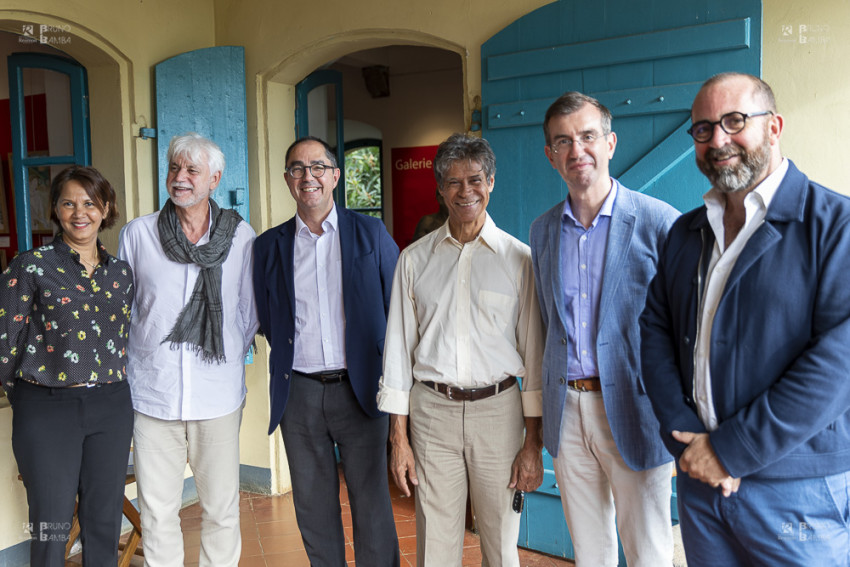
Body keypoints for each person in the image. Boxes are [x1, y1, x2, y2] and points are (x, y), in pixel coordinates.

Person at [640, 72, 850, 566]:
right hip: (699, 480)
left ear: (774, 127)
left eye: (735, 121)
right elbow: (654, 332)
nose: (718, 140)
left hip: (794, 488)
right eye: (703, 128)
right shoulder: (685, 233)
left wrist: (733, 450)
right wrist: (685, 435)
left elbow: (839, 363)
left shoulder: (836, 225)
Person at [379, 133, 544, 567]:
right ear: (439, 189)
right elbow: (397, 353)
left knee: (501, 544)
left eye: (475, 180)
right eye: (453, 182)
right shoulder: (413, 261)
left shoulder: (519, 260)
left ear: (491, 182)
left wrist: (534, 443)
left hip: (499, 413)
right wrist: (399, 440)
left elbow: (536, 358)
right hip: (432, 414)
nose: (465, 191)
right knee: (435, 545)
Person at [529, 92, 678, 566]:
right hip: (568, 412)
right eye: (564, 141)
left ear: (610, 143)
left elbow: (683, 330)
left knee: (648, 550)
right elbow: (549, 324)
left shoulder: (658, 222)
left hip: (637, 410)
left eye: (588, 136)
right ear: (551, 156)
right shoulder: (543, 230)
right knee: (589, 552)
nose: (578, 151)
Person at [252, 136, 400, 566]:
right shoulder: (269, 246)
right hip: (298, 394)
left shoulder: (369, 232)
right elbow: (266, 316)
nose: (308, 176)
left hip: (361, 388)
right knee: (313, 507)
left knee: (371, 505)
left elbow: (397, 306)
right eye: (297, 169)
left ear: (335, 176)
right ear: (287, 180)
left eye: (318, 167)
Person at [119, 133, 258, 567]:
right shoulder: (139, 234)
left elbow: (248, 311)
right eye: (174, 169)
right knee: (158, 511)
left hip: (216, 396)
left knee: (220, 509)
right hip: (152, 395)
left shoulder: (240, 237)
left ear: (214, 178)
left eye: (192, 170)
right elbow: (124, 310)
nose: (180, 179)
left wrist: (226, 352)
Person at [1, 165, 133, 565]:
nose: (80, 213)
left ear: (105, 208)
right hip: (46, 407)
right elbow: (5, 344)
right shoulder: (31, 267)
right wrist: (28, 401)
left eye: (90, 203)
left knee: (105, 516)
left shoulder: (121, 274)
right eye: (68, 203)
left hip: (111, 405)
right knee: (52, 522)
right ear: (56, 211)